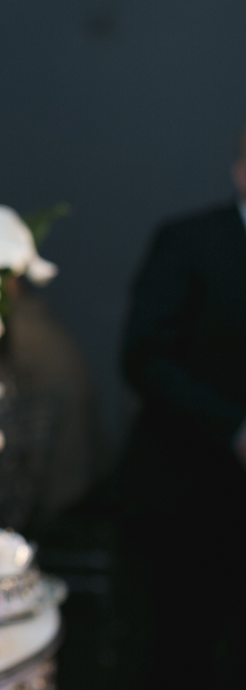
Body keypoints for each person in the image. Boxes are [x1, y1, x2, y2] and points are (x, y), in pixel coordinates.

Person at [121, 128, 246, 689]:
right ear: (241, 171)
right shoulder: (192, 241)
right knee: (179, 649)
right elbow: (144, 357)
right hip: (189, 493)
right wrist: (234, 429)